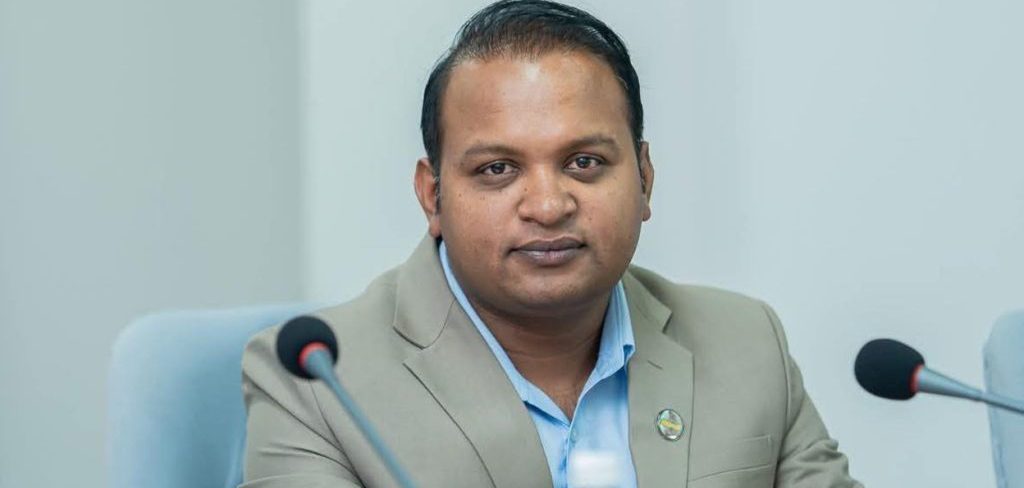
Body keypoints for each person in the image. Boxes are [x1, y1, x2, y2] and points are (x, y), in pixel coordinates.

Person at [240, 1, 862, 486]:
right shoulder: (318, 382)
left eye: (584, 162)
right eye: (497, 169)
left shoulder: (746, 342)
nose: (547, 206)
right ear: (433, 197)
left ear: (645, 179)